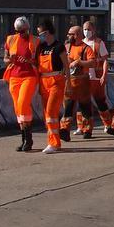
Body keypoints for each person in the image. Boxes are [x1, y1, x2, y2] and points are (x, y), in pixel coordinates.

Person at [3, 16, 39, 151]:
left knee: (23, 103)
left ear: (28, 29)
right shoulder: (10, 39)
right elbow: (5, 59)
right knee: (18, 108)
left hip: (29, 76)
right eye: (18, 31)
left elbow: (40, 61)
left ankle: (28, 138)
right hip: (14, 76)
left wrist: (30, 61)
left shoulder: (35, 41)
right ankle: (25, 139)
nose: (20, 34)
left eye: (22, 31)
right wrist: (10, 59)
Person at [34, 19, 69, 154]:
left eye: (41, 33)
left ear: (47, 32)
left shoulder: (59, 46)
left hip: (56, 81)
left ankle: (54, 143)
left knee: (51, 112)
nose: (40, 36)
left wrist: (69, 83)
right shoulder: (41, 47)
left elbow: (66, 66)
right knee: (46, 114)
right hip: (43, 82)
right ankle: (52, 140)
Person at [62, 25, 97, 140]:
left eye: (70, 34)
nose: (68, 36)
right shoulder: (66, 47)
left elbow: (93, 63)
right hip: (69, 81)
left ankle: (87, 130)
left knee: (85, 106)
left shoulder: (86, 48)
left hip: (82, 81)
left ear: (76, 35)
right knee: (68, 106)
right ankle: (65, 130)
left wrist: (79, 62)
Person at [82, 20, 114, 136]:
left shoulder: (98, 43)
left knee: (100, 102)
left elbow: (105, 60)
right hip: (84, 78)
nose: (86, 32)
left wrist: (104, 75)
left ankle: (107, 124)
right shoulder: (81, 44)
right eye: (85, 29)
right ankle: (86, 128)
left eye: (89, 29)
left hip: (96, 77)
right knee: (85, 103)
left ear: (93, 30)